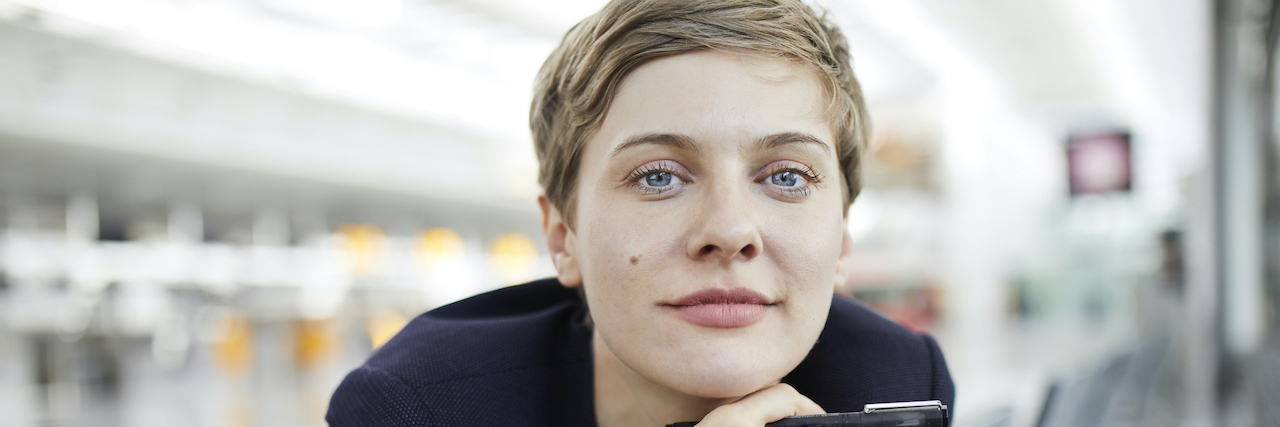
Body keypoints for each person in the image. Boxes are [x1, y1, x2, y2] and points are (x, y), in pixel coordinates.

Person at [326, 0, 955, 426]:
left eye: (787, 177)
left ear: (842, 238)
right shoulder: (421, 409)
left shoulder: (893, 380)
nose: (730, 231)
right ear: (562, 235)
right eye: (659, 177)